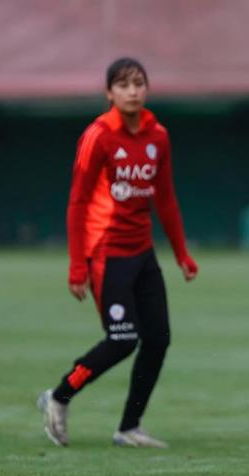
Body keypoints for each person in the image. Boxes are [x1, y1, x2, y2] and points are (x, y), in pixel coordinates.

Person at [37, 57, 198, 448]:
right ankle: (58, 397)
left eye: (139, 83)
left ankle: (129, 427)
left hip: (143, 254)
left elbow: (166, 199)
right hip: (105, 255)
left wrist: (181, 253)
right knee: (123, 339)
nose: (133, 91)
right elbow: (77, 203)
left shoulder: (158, 135)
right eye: (123, 85)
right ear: (110, 93)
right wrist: (77, 266)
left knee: (158, 339)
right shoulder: (98, 136)